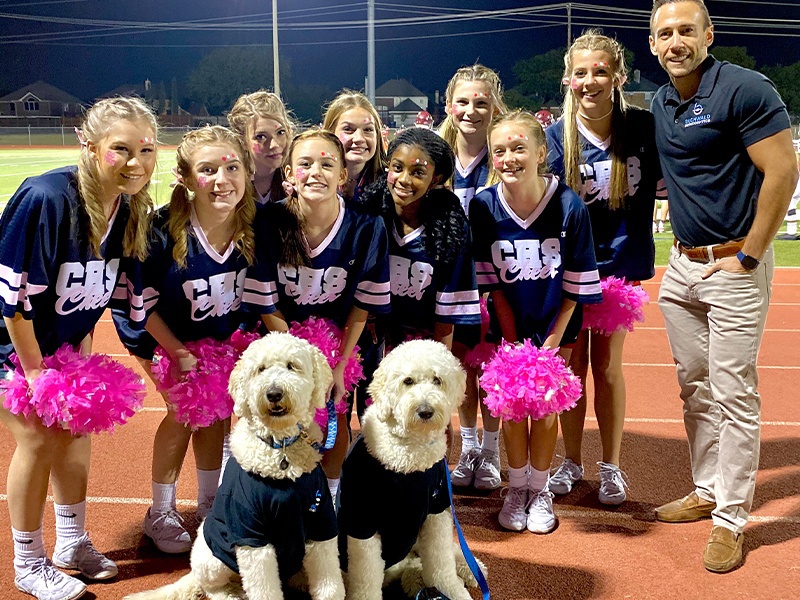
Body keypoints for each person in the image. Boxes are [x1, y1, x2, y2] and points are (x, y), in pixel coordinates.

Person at [649, 0, 798, 573]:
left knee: (734, 393)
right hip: (683, 266)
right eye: (665, 33)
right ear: (655, 44)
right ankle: (707, 487)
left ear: (709, 35)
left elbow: (783, 171)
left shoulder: (745, 88)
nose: (675, 41)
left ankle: (732, 518)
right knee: (694, 387)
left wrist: (751, 255)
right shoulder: (661, 101)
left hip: (735, 262)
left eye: (686, 30)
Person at [0, 97, 157, 600]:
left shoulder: (129, 207)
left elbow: (88, 302)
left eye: (146, 149)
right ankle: (27, 561)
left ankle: (71, 543)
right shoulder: (46, 197)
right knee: (39, 439)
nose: (136, 162)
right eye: (120, 149)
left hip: (57, 344)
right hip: (11, 341)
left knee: (75, 433)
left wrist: (78, 363)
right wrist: (36, 374)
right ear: (87, 147)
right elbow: (13, 303)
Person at [115, 126, 258, 554]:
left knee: (217, 416)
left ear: (246, 172)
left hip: (219, 338)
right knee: (182, 412)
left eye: (232, 167)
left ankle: (211, 505)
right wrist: (176, 351)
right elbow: (141, 307)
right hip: (161, 336)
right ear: (185, 177)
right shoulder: (161, 229)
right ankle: (159, 510)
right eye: (207, 169)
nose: (222, 179)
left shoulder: (253, 226)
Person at [546, 30, 666, 506]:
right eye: (581, 72)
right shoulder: (554, 138)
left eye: (600, 71)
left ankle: (611, 464)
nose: (590, 80)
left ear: (618, 76)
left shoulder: (642, 127)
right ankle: (571, 462)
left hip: (620, 265)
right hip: (568, 270)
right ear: (567, 80)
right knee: (571, 369)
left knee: (607, 368)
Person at [470, 110, 601, 533]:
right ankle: (516, 487)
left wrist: (552, 342)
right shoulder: (483, 206)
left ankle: (540, 490)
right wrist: (510, 343)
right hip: (510, 320)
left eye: (518, 148)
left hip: (556, 323)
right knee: (510, 408)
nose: (508, 158)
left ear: (541, 151)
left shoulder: (569, 206)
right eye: (500, 150)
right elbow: (493, 285)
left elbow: (575, 287)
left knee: (545, 409)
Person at [243, 129, 390, 502]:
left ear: (343, 174)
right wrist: (299, 358)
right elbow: (266, 300)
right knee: (276, 419)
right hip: (279, 340)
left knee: (335, 414)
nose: (316, 172)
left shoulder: (367, 226)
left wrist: (337, 364)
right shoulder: (269, 221)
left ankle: (331, 501)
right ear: (289, 173)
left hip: (339, 342)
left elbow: (363, 304)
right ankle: (274, 497)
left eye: (327, 164)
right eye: (305, 164)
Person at [439, 64, 508, 490]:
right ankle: (468, 448)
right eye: (463, 102)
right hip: (450, 282)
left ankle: (493, 450)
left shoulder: (504, 153)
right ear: (449, 106)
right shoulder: (437, 152)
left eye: (481, 102)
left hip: (498, 280)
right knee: (461, 367)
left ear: (494, 106)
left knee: (493, 369)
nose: (471, 110)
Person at [355, 127, 481, 350]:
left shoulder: (452, 229)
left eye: (418, 172)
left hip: (431, 339)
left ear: (435, 179)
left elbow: (447, 315)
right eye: (398, 168)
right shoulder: (371, 215)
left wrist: (437, 366)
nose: (404, 179)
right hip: (376, 337)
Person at [321, 90, 388, 427]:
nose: (359, 139)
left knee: (374, 409)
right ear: (328, 131)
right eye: (348, 129)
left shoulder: (390, 187)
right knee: (332, 409)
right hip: (323, 318)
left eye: (368, 130)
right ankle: (333, 479)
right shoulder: (307, 186)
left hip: (372, 322)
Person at [227, 90, 294, 205]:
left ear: (289, 131)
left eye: (280, 132)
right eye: (261, 137)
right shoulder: (229, 184)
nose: (274, 144)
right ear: (243, 141)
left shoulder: (299, 178)